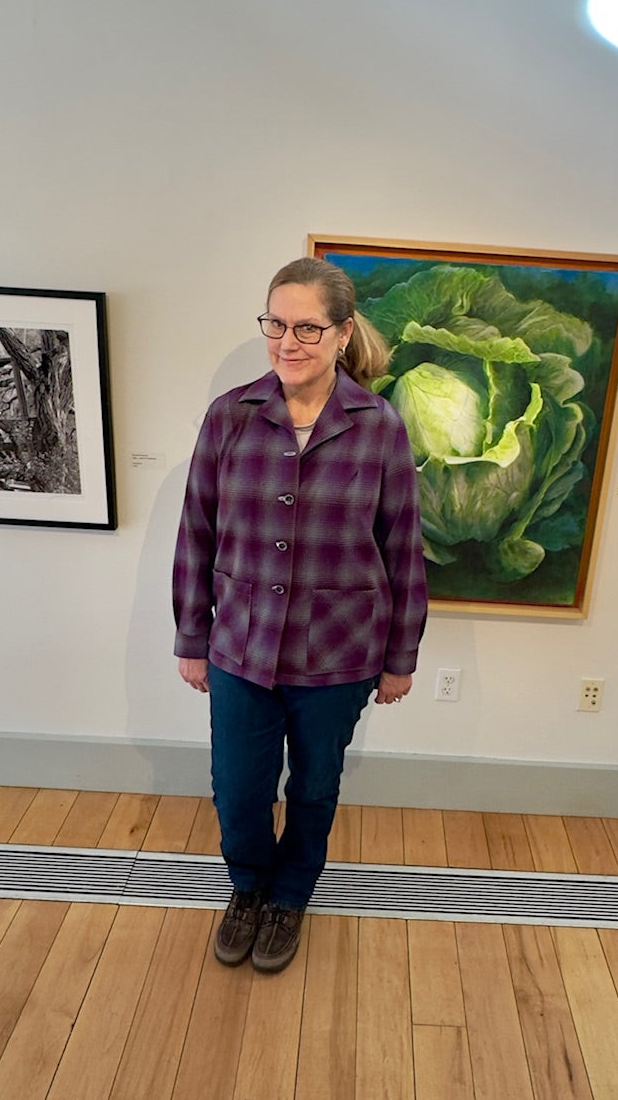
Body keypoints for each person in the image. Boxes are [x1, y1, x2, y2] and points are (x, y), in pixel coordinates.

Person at [173, 256, 428, 973]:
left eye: (308, 327)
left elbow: (403, 547)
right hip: (242, 648)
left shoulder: (379, 426)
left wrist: (400, 656)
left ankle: (290, 897)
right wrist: (193, 634)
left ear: (343, 333)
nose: (289, 341)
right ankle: (249, 886)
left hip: (340, 652)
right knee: (239, 790)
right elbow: (197, 532)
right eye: (276, 324)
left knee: (314, 785)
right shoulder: (232, 417)